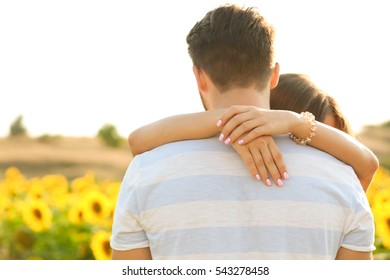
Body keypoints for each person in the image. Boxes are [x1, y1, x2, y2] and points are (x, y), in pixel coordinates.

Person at [111, 4, 375, 260]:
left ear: (200, 77)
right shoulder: (343, 180)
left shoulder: (144, 173)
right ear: (274, 75)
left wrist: (226, 118)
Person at [127, 73, 378, 191]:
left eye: (324, 140)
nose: (322, 155)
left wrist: (297, 123)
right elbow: (138, 140)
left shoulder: (339, 186)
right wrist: (232, 119)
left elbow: (367, 166)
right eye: (308, 140)